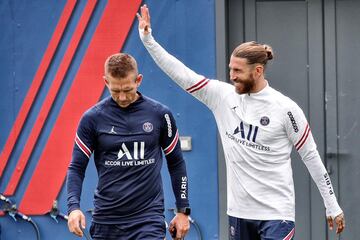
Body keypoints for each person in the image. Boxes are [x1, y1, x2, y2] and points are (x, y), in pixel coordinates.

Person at [137, 4, 345, 239]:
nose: (232, 75)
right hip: (238, 213)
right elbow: (182, 74)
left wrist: (332, 204)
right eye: (230, 69)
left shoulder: (285, 109)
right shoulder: (221, 96)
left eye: (238, 70)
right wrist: (148, 40)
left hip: (277, 215)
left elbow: (311, 156)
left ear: (258, 71)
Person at [66, 53, 191, 240]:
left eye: (127, 89)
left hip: (148, 219)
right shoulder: (92, 119)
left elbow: (176, 163)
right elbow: (76, 167)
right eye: (115, 91)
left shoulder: (160, 115)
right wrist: (73, 207)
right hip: (106, 221)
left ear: (138, 80)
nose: (122, 97)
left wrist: (183, 210)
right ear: (106, 82)